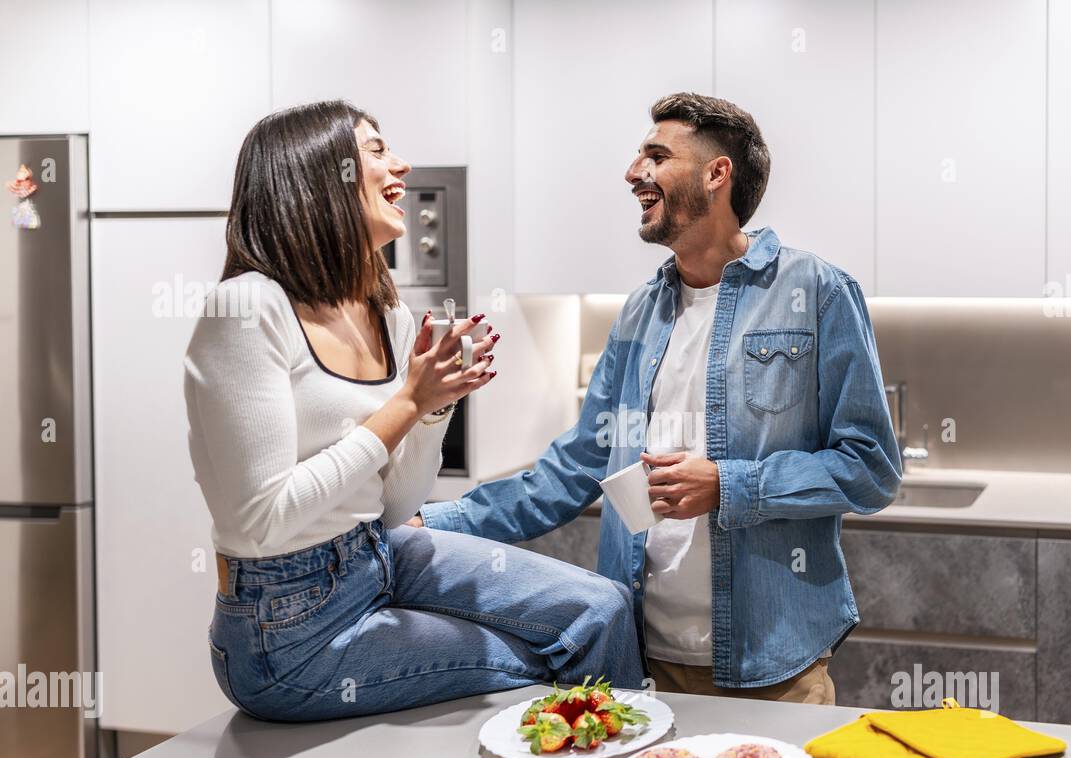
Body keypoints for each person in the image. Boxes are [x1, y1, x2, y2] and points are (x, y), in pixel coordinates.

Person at [416, 93, 900, 704]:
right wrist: (436, 522)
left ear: (716, 174)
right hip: (639, 658)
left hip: (774, 667)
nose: (632, 173)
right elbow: (576, 466)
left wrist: (728, 484)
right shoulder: (642, 311)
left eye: (655, 155)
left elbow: (871, 469)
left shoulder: (817, 291)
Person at [184, 100, 644, 722]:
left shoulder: (387, 314)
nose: (400, 163)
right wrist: (408, 403)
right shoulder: (244, 310)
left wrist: (434, 409)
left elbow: (397, 507)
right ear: (317, 176)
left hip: (376, 552)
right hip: (287, 630)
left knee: (602, 610)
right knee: (548, 664)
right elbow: (261, 519)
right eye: (375, 150)